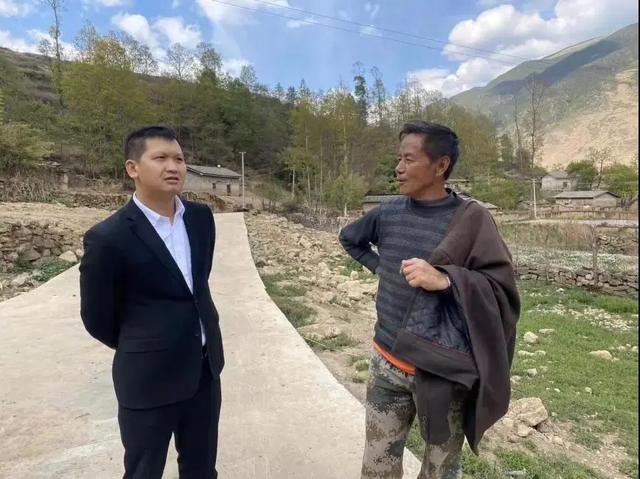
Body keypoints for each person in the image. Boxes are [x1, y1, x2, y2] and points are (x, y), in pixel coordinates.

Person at [339, 120, 520, 479]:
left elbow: (502, 291)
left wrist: (446, 280)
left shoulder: (472, 220)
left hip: (441, 371)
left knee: (441, 470)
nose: (398, 168)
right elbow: (350, 238)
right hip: (385, 362)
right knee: (377, 466)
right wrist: (381, 267)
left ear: (441, 165)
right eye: (399, 158)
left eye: (409, 159)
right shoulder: (388, 212)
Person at [79, 126, 224, 479]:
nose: (173, 166)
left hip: (204, 371)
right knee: (144, 472)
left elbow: (197, 286)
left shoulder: (201, 219)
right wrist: (145, 342)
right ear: (133, 168)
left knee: (202, 469)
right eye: (160, 158)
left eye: (179, 159)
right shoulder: (108, 237)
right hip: (148, 380)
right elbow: (97, 318)